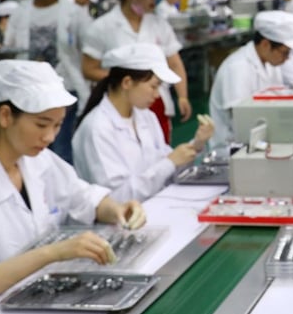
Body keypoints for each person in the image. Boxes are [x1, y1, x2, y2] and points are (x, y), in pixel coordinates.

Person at [0, 60, 145, 314]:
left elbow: (82, 197)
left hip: (37, 302)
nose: (50, 137)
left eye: (57, 125)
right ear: (6, 116)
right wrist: (51, 254)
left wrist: (117, 209)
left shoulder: (35, 159)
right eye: (41, 125)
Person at [73, 43, 211, 202]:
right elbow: (116, 199)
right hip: (121, 222)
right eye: (154, 86)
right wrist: (169, 162)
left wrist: (197, 144)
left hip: (156, 208)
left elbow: (169, 171)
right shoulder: (98, 128)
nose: (157, 95)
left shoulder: (146, 117)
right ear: (127, 83)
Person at [81, 0, 190, 143]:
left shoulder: (159, 25)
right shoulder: (101, 28)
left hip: (156, 102)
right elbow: (88, 69)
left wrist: (183, 96)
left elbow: (175, 62)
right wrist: (127, 81)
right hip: (121, 106)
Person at [3, 0, 93, 164]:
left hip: (65, 88)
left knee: (62, 147)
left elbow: (90, 43)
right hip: (30, 90)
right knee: (33, 148)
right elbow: (10, 48)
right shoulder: (20, 12)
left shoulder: (73, 11)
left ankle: (64, 194)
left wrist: (86, 9)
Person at [208, 11, 293, 147]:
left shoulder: (271, 63)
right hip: (233, 146)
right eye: (285, 52)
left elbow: (278, 99)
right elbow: (240, 120)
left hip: (260, 137)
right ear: (265, 44)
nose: (287, 58)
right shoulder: (237, 68)